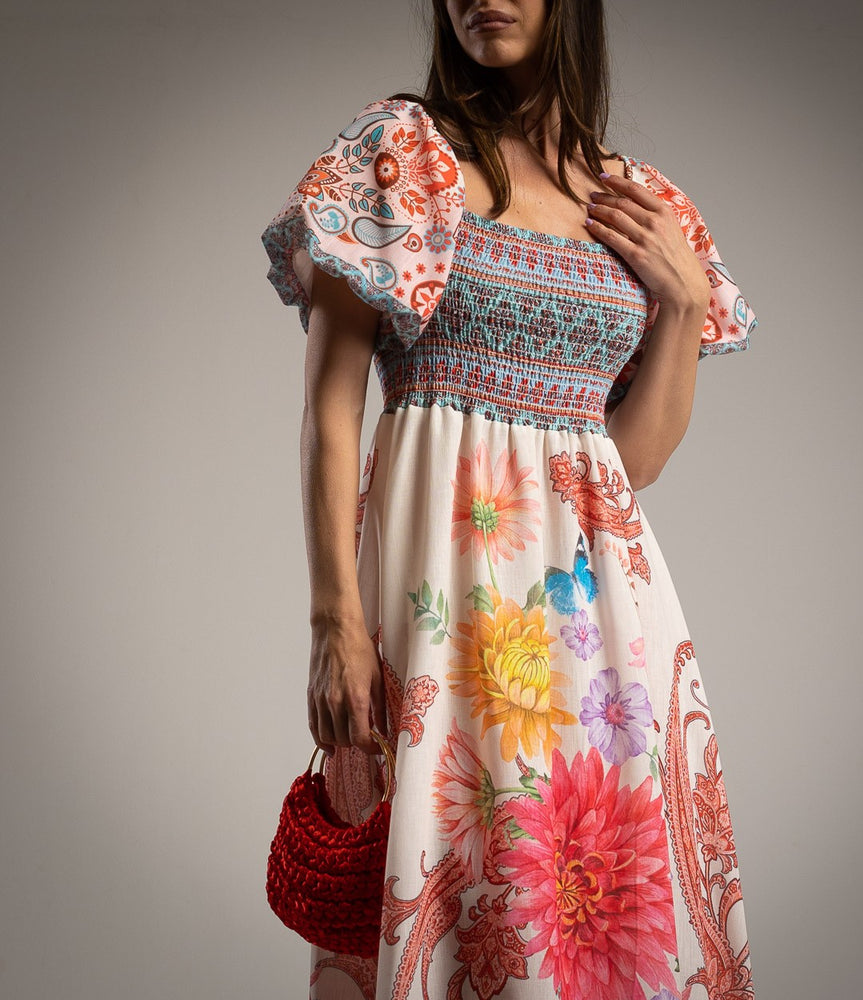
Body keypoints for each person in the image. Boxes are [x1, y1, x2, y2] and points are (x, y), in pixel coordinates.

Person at [261, 1, 759, 997]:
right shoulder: (400, 155)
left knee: (586, 903)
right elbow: (329, 416)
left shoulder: (640, 203)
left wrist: (684, 304)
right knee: (448, 887)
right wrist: (334, 624)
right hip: (437, 609)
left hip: (596, 628)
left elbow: (633, 458)